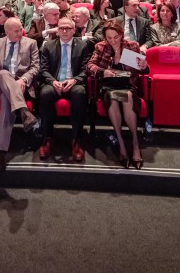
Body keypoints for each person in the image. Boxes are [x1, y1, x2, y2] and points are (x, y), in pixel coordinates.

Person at [86, 20, 148, 168]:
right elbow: (89, 66)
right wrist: (103, 71)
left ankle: (135, 143)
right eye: (109, 38)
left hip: (128, 84)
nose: (113, 41)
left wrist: (144, 65)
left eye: (116, 37)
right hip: (108, 86)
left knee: (127, 96)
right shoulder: (101, 47)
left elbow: (143, 69)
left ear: (121, 34)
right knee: (113, 96)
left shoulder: (131, 46)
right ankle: (121, 144)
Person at [0, 17, 40, 174]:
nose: (21, 32)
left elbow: (36, 67)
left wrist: (24, 79)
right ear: (7, 31)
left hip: (20, 84)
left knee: (5, 98)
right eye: (16, 31)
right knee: (2, 73)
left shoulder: (31, 43)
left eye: (21, 29)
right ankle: (23, 111)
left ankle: (0, 153)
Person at [37, 16, 92, 161]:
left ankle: (76, 139)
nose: (65, 31)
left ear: (74, 30)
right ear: (57, 30)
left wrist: (74, 80)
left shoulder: (83, 45)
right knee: (45, 93)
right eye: (61, 28)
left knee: (80, 93)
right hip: (54, 82)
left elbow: (85, 69)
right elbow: (43, 69)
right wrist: (53, 81)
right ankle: (47, 138)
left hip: (74, 83)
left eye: (68, 28)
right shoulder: (48, 45)